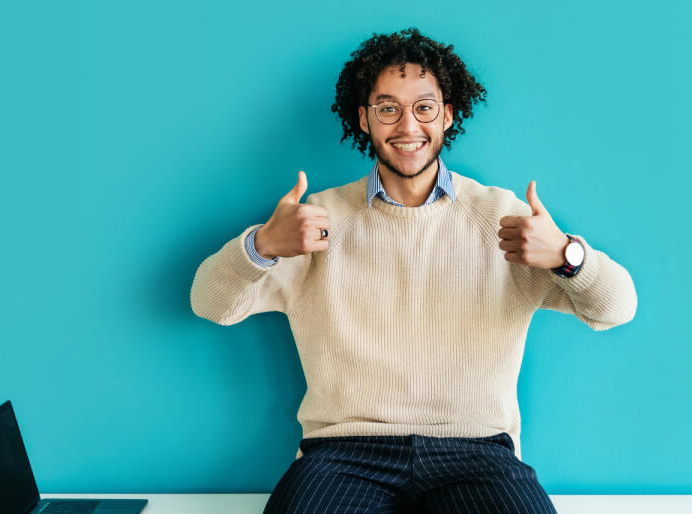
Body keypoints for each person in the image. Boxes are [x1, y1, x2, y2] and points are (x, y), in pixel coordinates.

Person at [190, 27, 637, 514]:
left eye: (424, 107)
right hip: (343, 455)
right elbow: (210, 304)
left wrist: (567, 255)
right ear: (364, 119)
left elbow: (618, 308)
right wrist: (262, 245)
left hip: (477, 452)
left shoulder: (503, 218)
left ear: (446, 115)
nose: (408, 126)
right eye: (388, 108)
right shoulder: (311, 222)